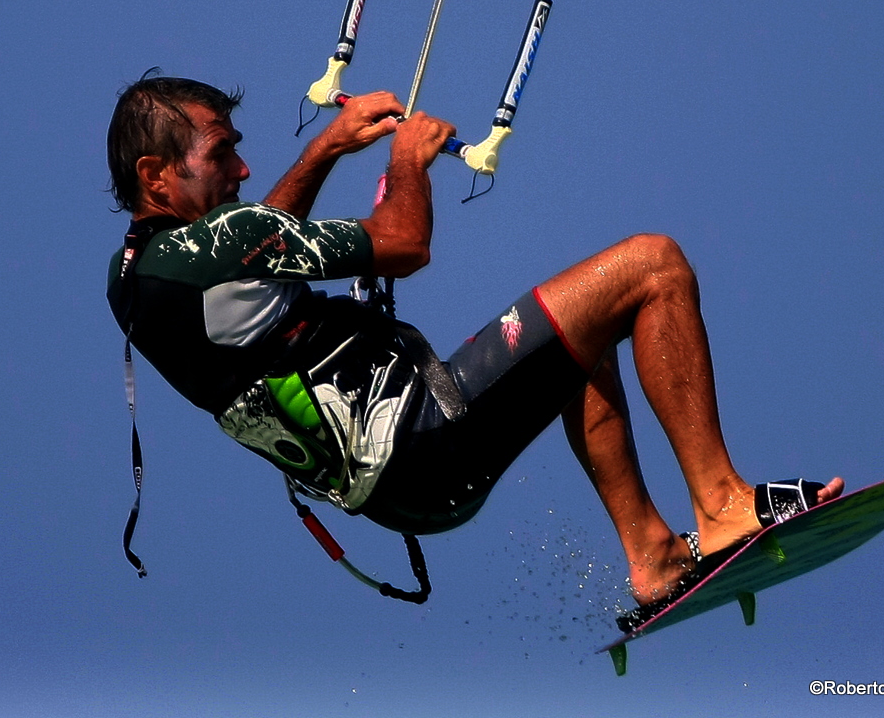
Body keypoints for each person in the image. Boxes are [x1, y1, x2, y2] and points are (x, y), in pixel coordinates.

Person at [106, 73, 843, 629]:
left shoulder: (138, 282)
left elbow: (250, 253)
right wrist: (409, 161)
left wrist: (328, 145)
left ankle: (652, 554)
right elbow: (404, 244)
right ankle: (721, 504)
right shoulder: (224, 245)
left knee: (580, 339)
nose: (240, 171)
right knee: (655, 267)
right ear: (156, 174)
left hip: (401, 497)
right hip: (428, 435)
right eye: (224, 153)